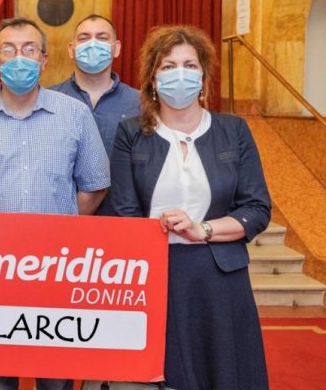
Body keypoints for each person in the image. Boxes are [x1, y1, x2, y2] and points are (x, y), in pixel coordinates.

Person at [0, 17, 110, 390]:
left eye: (29, 49)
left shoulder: (74, 114)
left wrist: (59, 226)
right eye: (8, 50)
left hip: (57, 269)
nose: (19, 58)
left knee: (56, 378)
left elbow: (94, 187)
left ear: (44, 60)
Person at [109, 25, 270, 389]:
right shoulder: (131, 134)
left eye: (189, 65)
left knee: (225, 373)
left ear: (202, 76)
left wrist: (203, 229)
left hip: (220, 277)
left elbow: (257, 208)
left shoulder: (234, 130)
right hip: (154, 275)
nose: (179, 74)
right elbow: (124, 212)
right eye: (168, 66)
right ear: (153, 79)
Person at [50, 14, 139, 157]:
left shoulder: (139, 103)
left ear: (116, 48)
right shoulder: (48, 100)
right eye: (84, 38)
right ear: (71, 50)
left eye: (102, 38)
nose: (92, 45)